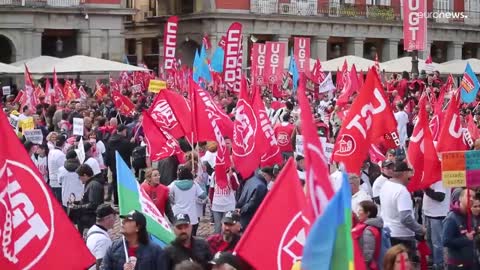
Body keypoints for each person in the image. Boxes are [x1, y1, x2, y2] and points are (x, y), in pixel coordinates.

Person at [380, 161, 425, 259]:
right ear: (404, 173)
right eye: (410, 172)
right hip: (402, 237)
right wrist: (421, 229)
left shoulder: (385, 185)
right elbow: (405, 218)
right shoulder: (401, 191)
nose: (411, 176)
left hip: (389, 233)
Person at [102, 210, 167, 270]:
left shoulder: (155, 251)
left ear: (138, 227)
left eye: (128, 220)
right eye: (124, 219)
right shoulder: (114, 247)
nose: (123, 222)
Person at [443, 188, 477, 270]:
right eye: (468, 196)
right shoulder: (451, 218)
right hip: (457, 264)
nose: (471, 199)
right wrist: (466, 239)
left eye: (474, 197)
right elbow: (446, 241)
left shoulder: (470, 215)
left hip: (471, 262)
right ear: (460, 198)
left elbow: (471, 234)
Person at [168, 165, 207, 236]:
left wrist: (171, 200)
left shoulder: (173, 184)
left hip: (177, 214)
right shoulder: (194, 184)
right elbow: (203, 196)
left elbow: (166, 192)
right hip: (191, 215)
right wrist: (202, 184)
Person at [105, 124, 136, 206]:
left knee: (115, 183)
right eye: (125, 131)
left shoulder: (110, 141)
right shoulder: (125, 142)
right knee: (124, 184)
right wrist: (132, 143)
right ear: (122, 131)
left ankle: (116, 201)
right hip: (124, 165)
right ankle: (124, 200)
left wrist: (108, 164)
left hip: (113, 166)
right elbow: (131, 153)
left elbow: (107, 154)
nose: (126, 132)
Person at [423, 180, 450, 270]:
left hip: (438, 214)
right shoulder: (431, 176)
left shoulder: (439, 178)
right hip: (430, 213)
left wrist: (425, 188)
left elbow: (440, 196)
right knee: (430, 240)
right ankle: (433, 261)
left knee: (437, 243)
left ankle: (439, 264)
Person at [71, 164, 104, 234]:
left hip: (90, 221)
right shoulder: (90, 184)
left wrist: (78, 207)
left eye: (80, 177)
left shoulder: (93, 185)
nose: (79, 179)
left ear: (85, 175)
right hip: (87, 219)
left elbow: (93, 204)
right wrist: (77, 203)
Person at [352, 201, 384, 270]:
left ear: (368, 213)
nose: (358, 212)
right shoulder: (368, 226)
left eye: (360, 210)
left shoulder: (368, 231)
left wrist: (361, 266)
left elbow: (367, 255)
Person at [86, 204, 116, 270]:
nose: (115, 219)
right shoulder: (103, 241)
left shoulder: (92, 230)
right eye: (114, 216)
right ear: (108, 218)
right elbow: (101, 266)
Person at [48, 135, 67, 203]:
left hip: (52, 181)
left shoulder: (51, 152)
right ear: (64, 143)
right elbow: (64, 168)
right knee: (59, 204)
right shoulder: (61, 154)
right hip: (58, 183)